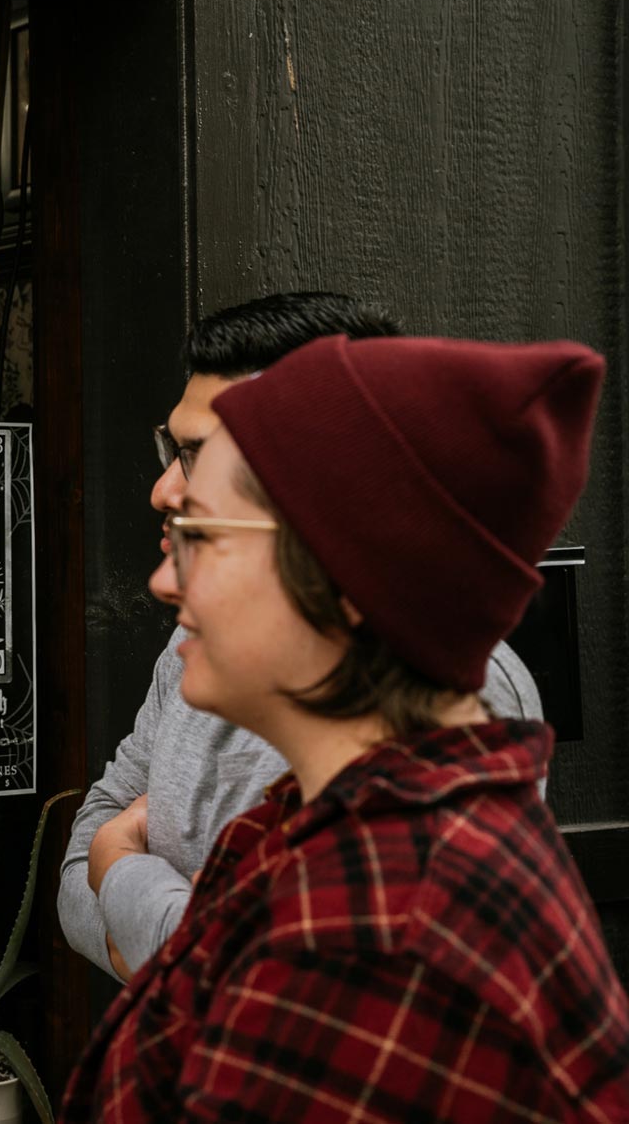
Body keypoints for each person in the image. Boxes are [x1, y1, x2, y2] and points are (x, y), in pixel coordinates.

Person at [60, 334, 629, 1120]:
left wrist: (118, 866)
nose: (164, 578)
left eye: (207, 539)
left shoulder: (376, 938)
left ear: (352, 573)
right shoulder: (299, 826)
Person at [57, 293, 541, 981]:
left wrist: (124, 869)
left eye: (197, 455)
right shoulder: (196, 641)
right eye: (172, 447)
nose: (164, 489)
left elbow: (305, 985)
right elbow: (89, 843)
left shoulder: (453, 684)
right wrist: (147, 927)